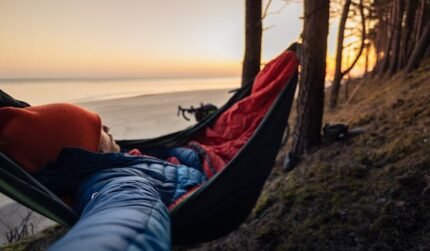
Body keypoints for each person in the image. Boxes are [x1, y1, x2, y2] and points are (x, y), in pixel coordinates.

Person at [0, 48, 299, 250]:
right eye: (100, 130)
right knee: (250, 113)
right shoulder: (114, 183)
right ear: (88, 150)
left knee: (246, 109)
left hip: (193, 154)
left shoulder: (113, 163)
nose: (108, 130)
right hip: (210, 173)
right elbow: (127, 222)